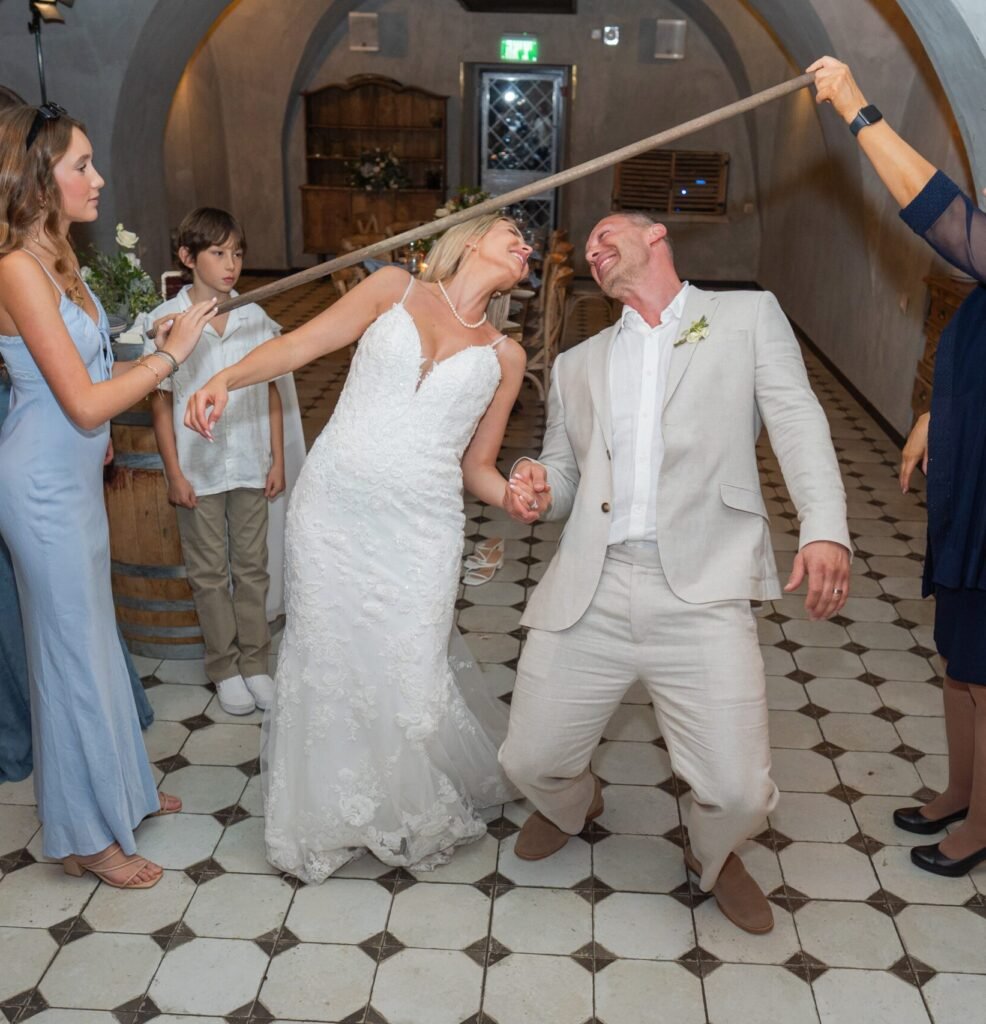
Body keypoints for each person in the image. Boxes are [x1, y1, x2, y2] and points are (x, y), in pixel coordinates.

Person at [500, 211, 851, 934]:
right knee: (528, 760)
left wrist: (824, 528)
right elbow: (565, 473)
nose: (594, 251)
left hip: (703, 590)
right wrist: (536, 479)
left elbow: (796, 420)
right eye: (588, 250)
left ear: (657, 234)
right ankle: (577, 803)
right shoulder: (578, 363)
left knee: (739, 792)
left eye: (607, 236)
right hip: (592, 588)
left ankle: (715, 855)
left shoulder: (748, 317)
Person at [184, 214, 533, 883]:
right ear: (468, 239)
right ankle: (328, 815)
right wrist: (227, 379)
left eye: (529, 242)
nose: (525, 243)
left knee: (408, 662)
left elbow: (480, 467)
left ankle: (402, 806)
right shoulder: (395, 290)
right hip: (334, 508)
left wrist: (513, 492)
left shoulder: (505, 356)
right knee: (329, 654)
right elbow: (299, 348)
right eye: (509, 228)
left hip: (423, 526)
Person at [0, 102, 216, 888]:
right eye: (81, 166)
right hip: (40, 488)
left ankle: (120, 790)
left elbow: (90, 377)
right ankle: (86, 834)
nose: (98, 178)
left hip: (72, 479)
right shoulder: (15, 269)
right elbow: (85, 405)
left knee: (96, 646)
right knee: (69, 661)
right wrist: (174, 359)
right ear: (35, 178)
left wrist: (152, 349)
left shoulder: (57, 255)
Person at [811, 56, 986, 878]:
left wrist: (854, 104)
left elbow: (942, 214)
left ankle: (984, 823)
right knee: (960, 657)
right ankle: (959, 790)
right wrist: (932, 415)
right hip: (971, 467)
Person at [143, 207, 295, 715]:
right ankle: (224, 667)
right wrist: (173, 472)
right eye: (217, 253)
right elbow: (160, 400)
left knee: (252, 569)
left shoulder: (255, 317)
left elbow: (272, 390)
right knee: (209, 572)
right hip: (199, 468)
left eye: (237, 253)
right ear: (187, 258)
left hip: (251, 461)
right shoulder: (165, 323)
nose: (231, 265)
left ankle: (255, 662)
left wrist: (275, 458)